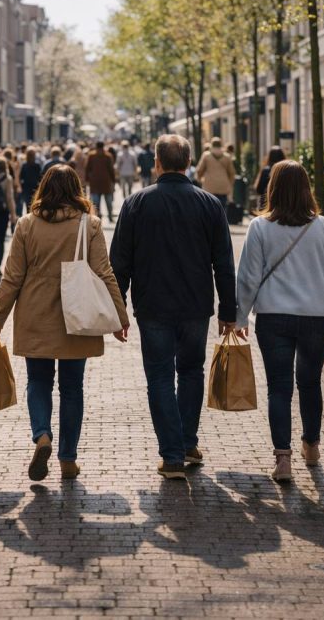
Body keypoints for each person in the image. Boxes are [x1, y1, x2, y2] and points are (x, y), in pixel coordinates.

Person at [0, 165, 129, 481]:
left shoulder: (26, 225)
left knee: (38, 381)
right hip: (76, 316)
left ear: (43, 189)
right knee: (72, 387)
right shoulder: (88, 225)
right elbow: (104, 272)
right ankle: (68, 459)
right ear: (76, 190)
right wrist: (120, 317)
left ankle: (41, 435)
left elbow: (12, 278)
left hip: (35, 314)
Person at [110, 134, 237, 481]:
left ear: (157, 163)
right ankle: (187, 442)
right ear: (189, 163)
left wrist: (117, 309)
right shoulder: (210, 205)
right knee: (192, 372)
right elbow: (224, 263)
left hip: (152, 306)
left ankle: (172, 455)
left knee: (160, 376)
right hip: (196, 305)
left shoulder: (136, 204)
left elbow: (119, 263)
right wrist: (229, 310)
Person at [235, 159, 324, 482]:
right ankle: (312, 445)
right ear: (306, 189)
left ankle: (283, 459)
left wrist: (239, 317)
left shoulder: (260, 228)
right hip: (317, 318)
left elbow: (248, 277)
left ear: (272, 189)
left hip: (274, 317)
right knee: (309, 382)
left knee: (279, 387)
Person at [195, 136, 237, 208]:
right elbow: (232, 173)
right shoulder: (227, 157)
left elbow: (199, 170)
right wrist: (230, 184)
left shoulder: (206, 156)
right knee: (222, 209)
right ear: (221, 145)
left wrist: (200, 180)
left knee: (209, 209)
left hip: (209, 187)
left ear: (211, 145)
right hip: (223, 187)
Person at [86, 141, 116, 222]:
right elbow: (111, 170)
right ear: (103, 146)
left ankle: (97, 217)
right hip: (106, 182)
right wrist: (113, 180)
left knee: (96, 203)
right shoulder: (108, 156)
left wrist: (87, 180)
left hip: (94, 182)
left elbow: (87, 168)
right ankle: (110, 216)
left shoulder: (91, 155)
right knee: (109, 202)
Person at [255, 146, 284, 211]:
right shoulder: (287, 170)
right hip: (283, 205)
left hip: (266, 206)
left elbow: (259, 189)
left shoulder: (265, 170)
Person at [19, 147, 43, 213]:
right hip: (35, 186)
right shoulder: (37, 165)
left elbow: (21, 176)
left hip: (26, 186)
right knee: (35, 203)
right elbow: (40, 176)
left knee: (27, 204)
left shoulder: (24, 165)